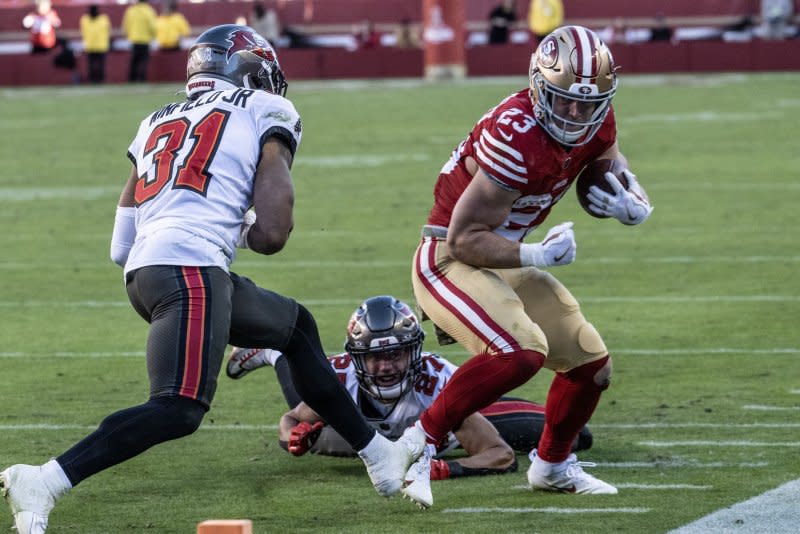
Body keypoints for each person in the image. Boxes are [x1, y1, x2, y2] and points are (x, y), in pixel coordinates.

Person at [0, 24, 426, 534]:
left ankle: (380, 455)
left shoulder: (153, 120)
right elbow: (272, 234)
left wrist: (210, 226)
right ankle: (44, 479)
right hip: (191, 270)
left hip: (148, 272)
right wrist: (232, 229)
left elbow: (120, 246)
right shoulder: (265, 110)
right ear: (247, 73)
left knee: (294, 328)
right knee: (178, 408)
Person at [402, 25, 654, 506]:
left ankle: (553, 467)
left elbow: (602, 171)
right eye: (564, 101)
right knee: (521, 351)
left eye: (588, 103)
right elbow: (464, 238)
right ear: (540, 87)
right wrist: (537, 255)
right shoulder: (517, 134)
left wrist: (631, 200)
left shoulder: (596, 118)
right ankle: (415, 446)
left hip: (499, 254)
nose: (577, 114)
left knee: (589, 363)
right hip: (448, 258)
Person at [226, 296, 594, 479]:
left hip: (443, 434)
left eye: (397, 355)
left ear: (414, 352)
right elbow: (290, 420)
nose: (385, 366)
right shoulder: (343, 374)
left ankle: (275, 355)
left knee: (579, 434)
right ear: (356, 358)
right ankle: (274, 353)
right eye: (374, 357)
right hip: (361, 426)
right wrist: (295, 436)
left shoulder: (436, 379)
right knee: (313, 410)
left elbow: (500, 455)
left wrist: (446, 470)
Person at [122, 0, 157, 82]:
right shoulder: (149, 10)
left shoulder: (131, 10)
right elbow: (152, 26)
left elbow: (126, 25)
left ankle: (132, 79)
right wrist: (153, 36)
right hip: (145, 40)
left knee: (134, 61)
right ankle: (141, 78)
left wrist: (127, 35)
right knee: (143, 61)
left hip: (134, 39)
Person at [80, 4, 111, 83]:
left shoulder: (85, 19)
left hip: (94, 45)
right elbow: (108, 30)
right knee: (96, 65)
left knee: (94, 65)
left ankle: (95, 79)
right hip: (98, 45)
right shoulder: (103, 19)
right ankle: (97, 79)